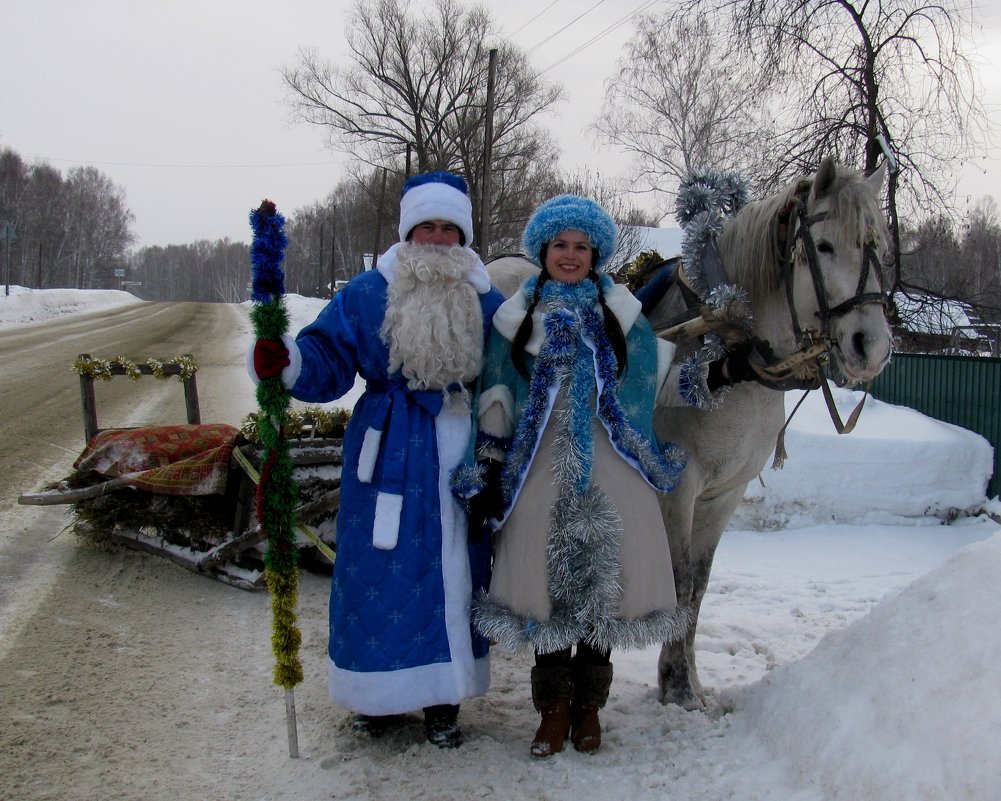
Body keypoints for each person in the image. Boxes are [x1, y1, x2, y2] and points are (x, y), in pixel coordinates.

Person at [452, 194, 748, 758]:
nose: (570, 255)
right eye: (560, 245)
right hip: (538, 470)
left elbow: (661, 381)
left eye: (580, 246)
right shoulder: (514, 320)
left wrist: (725, 370)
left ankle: (589, 710)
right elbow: (496, 399)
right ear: (544, 250)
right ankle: (552, 711)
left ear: (596, 253)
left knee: (601, 591)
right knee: (546, 592)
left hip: (613, 465)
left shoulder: (624, 318)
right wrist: (488, 468)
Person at [250, 171, 504, 749]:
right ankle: (377, 695)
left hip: (456, 453)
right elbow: (326, 355)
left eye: (449, 228)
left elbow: (517, 365)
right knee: (376, 572)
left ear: (461, 235)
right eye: (427, 227)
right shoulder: (369, 292)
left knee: (456, 573)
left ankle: (444, 699)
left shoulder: (488, 299)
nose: (438, 239)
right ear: (408, 232)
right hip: (386, 451)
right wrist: (287, 360)